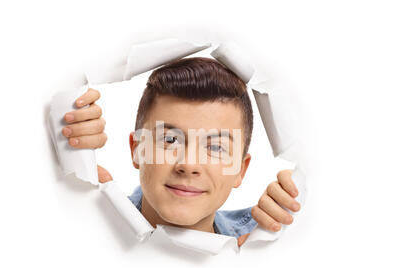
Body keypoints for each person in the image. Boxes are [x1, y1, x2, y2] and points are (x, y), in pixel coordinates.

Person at [60, 57, 300, 246]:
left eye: (216, 147)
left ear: (240, 169)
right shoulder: (87, 219)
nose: (189, 164)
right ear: (137, 150)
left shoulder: (264, 239)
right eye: (171, 139)